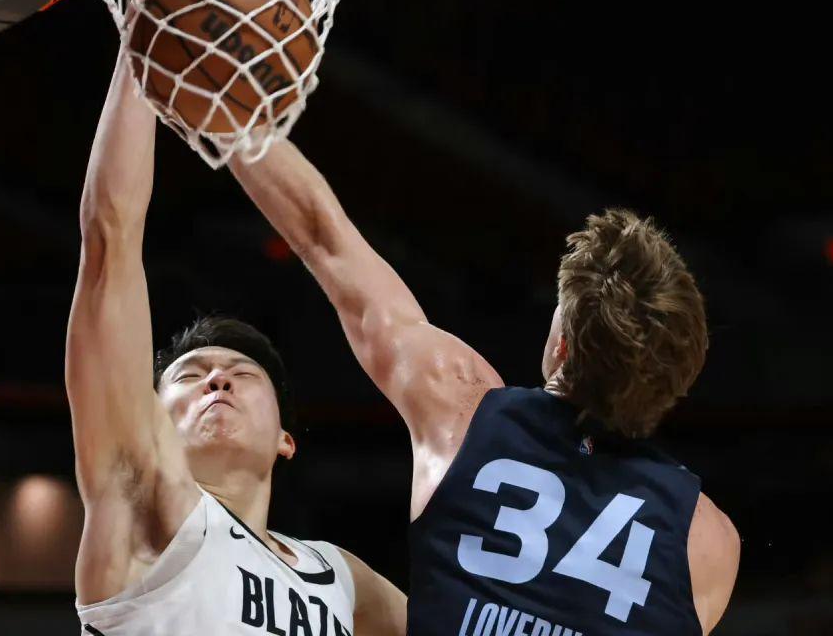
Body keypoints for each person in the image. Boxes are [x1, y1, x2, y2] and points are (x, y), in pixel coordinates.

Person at [229, 139, 741, 636]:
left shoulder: (459, 407)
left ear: (563, 346)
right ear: (677, 382)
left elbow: (325, 237)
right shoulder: (707, 541)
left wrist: (229, 124)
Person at [65, 40, 406, 634]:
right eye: (190, 377)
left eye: (242, 375)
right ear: (152, 420)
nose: (218, 379)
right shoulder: (146, 507)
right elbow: (109, 243)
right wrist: (141, 43)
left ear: (285, 440)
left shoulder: (340, 576)